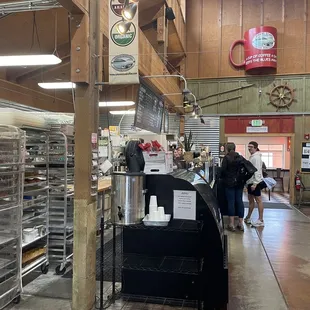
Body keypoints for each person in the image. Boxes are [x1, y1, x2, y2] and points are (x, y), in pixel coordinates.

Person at [221, 142, 245, 232]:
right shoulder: (240, 157)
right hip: (239, 183)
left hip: (229, 183)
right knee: (239, 201)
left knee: (231, 202)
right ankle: (240, 223)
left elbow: (223, 170)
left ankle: (231, 224)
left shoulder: (226, 158)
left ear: (227, 148)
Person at [244, 141, 265, 227]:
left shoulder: (256, 158)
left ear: (256, 147)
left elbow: (257, 171)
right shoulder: (252, 157)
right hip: (250, 181)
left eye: (251, 147)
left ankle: (261, 219)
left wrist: (255, 183)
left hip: (255, 182)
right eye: (248, 147)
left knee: (258, 200)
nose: (249, 148)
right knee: (251, 200)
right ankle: (248, 217)